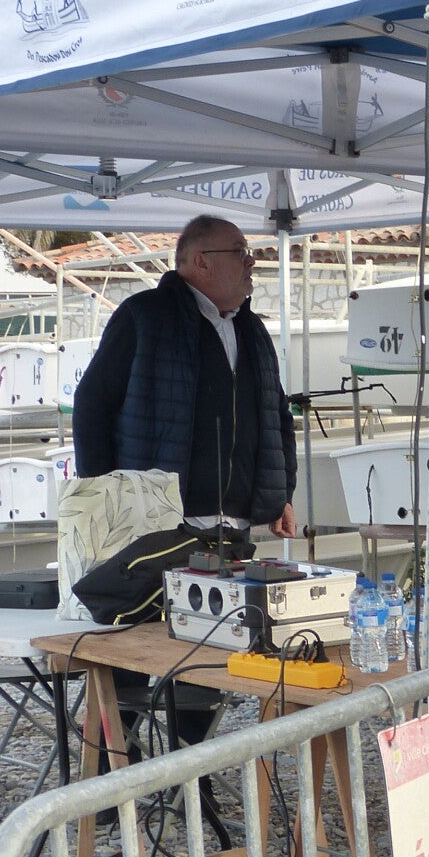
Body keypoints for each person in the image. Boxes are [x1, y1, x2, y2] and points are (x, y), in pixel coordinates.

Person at [73, 214, 299, 744]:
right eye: (239, 251)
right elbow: (92, 405)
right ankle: (113, 767)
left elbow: (275, 414)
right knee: (131, 650)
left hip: (230, 525)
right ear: (201, 262)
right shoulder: (144, 316)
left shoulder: (251, 328)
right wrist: (106, 496)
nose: (251, 262)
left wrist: (280, 493)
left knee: (214, 651)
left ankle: (188, 765)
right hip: (156, 525)